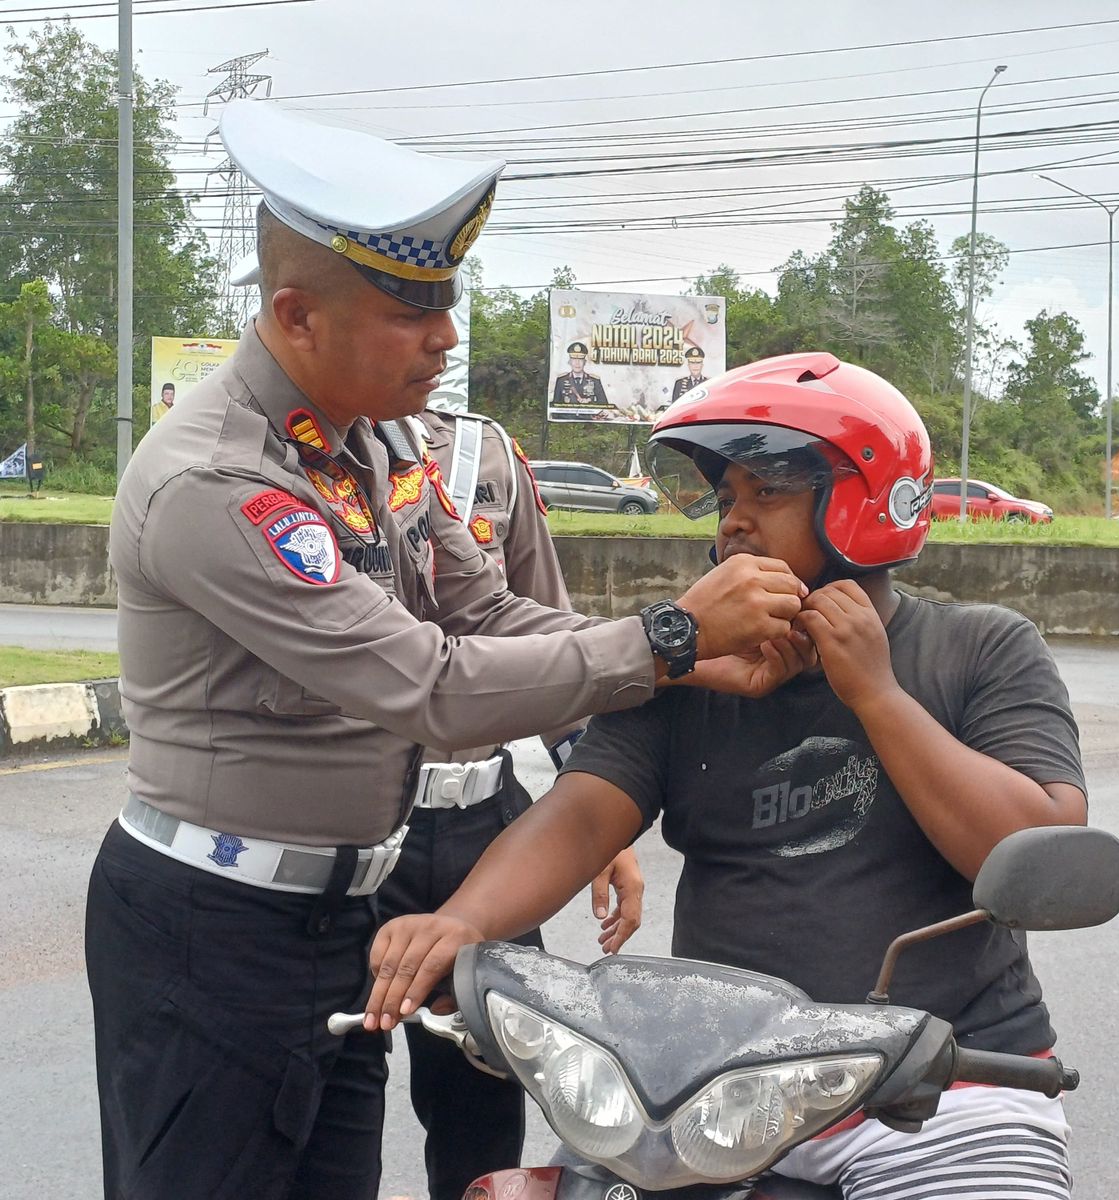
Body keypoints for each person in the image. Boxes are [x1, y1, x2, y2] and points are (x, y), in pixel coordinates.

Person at [87, 100, 809, 1200]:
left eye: (447, 309)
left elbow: (490, 614)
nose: (447, 340)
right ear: (296, 315)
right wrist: (668, 634)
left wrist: (690, 660)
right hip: (212, 931)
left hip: (346, 920)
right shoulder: (219, 482)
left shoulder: (375, 445)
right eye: (407, 317)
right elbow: (424, 685)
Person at [366, 351, 1089, 1199]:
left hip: (944, 1092)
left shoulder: (983, 650)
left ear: (860, 506)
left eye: (766, 494)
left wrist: (877, 695)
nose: (733, 524)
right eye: (727, 499)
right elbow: (580, 816)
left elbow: (1034, 845)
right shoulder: (693, 675)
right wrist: (460, 922)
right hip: (716, 1098)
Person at [383, 390, 645, 1200]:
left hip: (477, 824)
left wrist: (606, 820)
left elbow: (545, 633)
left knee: (485, 1098)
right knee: (325, 1094)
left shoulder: (485, 453)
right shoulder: (313, 453)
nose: (431, 339)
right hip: (357, 829)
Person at [551, 340, 612, 414]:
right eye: (574, 359)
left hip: (589, 421)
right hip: (567, 420)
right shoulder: (561, 380)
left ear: (585, 362)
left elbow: (604, 406)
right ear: (570, 362)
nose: (577, 363)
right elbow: (555, 407)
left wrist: (589, 401)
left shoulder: (595, 380)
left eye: (580, 359)